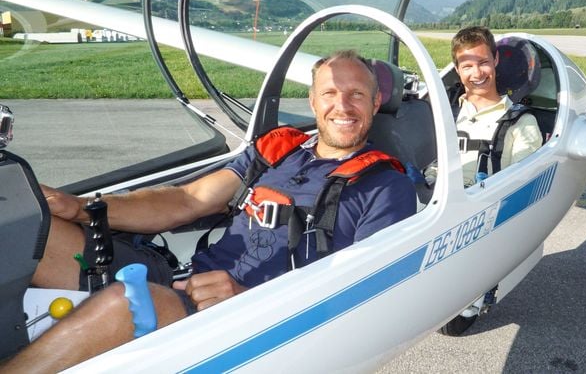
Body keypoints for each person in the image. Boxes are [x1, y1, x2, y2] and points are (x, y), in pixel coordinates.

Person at [2, 50, 417, 372]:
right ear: (312, 100)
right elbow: (189, 199)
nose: (342, 106)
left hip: (241, 319)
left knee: (126, 302)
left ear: (377, 101)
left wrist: (246, 299)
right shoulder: (279, 150)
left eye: (357, 94)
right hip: (180, 279)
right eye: (330, 92)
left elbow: (365, 299)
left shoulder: (386, 187)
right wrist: (83, 208)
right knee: (29, 230)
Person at [451, 26, 542, 186]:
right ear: (457, 69)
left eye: (483, 62)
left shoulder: (522, 122)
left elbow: (522, 184)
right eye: (467, 66)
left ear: (496, 59)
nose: (477, 73)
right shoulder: (444, 114)